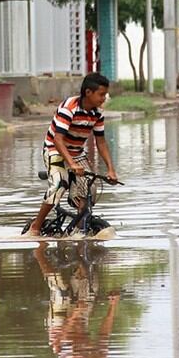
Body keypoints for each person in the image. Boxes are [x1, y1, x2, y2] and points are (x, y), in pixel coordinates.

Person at [25, 73, 118, 237]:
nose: (104, 98)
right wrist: (72, 164)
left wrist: (111, 170)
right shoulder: (69, 108)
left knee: (89, 188)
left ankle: (80, 229)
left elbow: (101, 142)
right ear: (88, 92)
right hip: (54, 149)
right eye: (101, 94)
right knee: (58, 185)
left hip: (77, 152)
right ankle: (35, 227)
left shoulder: (98, 113)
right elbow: (58, 140)